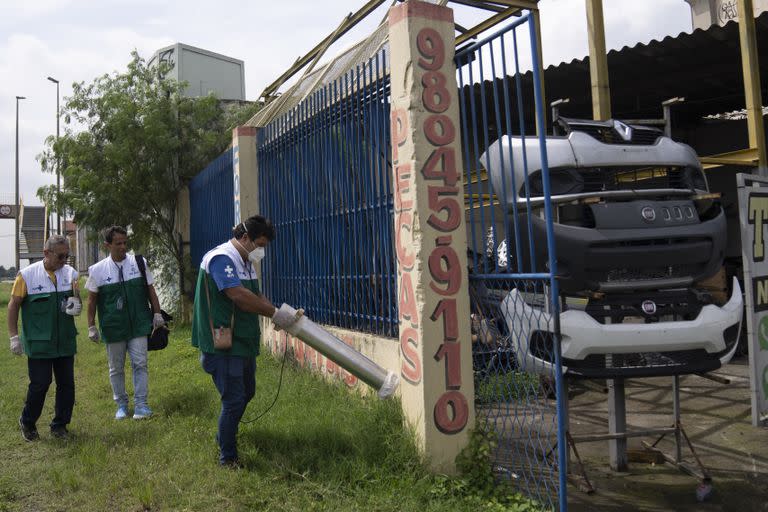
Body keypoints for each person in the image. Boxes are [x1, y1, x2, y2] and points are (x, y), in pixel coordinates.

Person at [192, 215, 302, 467]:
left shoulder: (245, 261)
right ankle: (227, 457)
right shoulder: (222, 259)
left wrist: (278, 312)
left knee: (247, 392)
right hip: (223, 343)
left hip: (242, 341)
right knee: (233, 399)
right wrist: (273, 313)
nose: (261, 251)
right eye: (259, 244)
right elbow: (238, 295)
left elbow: (255, 294)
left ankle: (224, 435)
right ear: (245, 238)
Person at [7, 235, 82, 441]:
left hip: (64, 339)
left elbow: (76, 301)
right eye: (60, 256)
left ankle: (60, 426)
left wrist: (76, 305)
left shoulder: (71, 274)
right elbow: (13, 305)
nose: (64, 261)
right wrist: (14, 337)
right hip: (39, 341)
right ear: (46, 253)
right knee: (40, 383)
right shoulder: (27, 275)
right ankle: (28, 421)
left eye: (67, 256)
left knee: (67, 384)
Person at [86, 226, 165, 420]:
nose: (123, 247)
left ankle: (141, 405)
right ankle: (121, 405)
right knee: (116, 367)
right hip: (113, 327)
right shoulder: (97, 270)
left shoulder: (139, 263)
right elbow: (92, 301)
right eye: (118, 243)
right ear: (107, 245)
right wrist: (91, 326)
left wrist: (157, 314)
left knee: (140, 363)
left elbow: (151, 290)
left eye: (125, 243)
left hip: (139, 324)